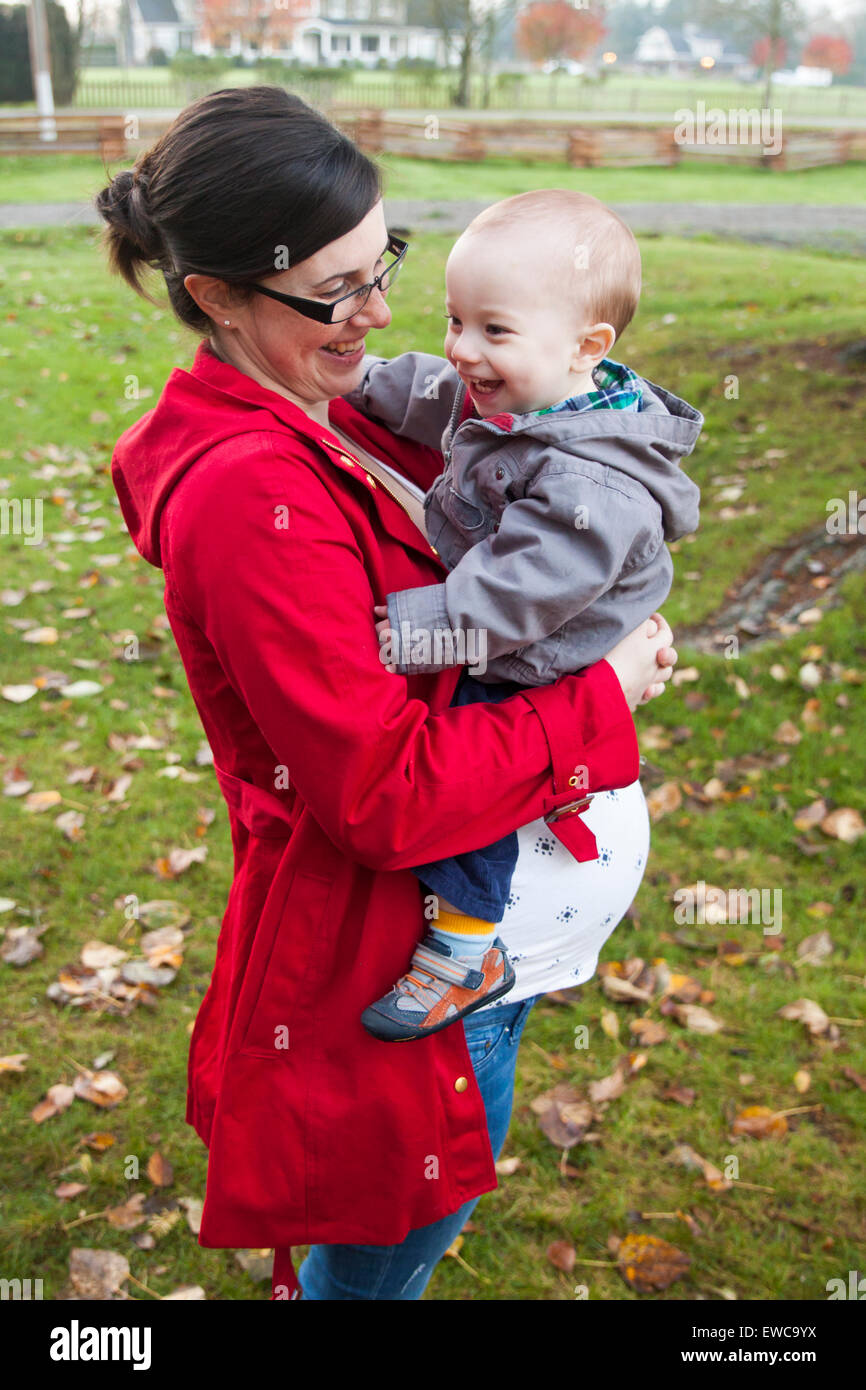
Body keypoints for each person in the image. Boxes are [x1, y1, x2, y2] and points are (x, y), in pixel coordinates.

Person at [96, 85, 680, 1301]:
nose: (380, 314)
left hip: (488, 942)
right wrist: (606, 691)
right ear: (214, 294)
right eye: (336, 290)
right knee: (376, 1268)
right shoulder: (249, 499)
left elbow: (515, 469)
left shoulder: (325, 408)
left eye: (384, 265)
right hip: (400, 953)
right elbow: (383, 796)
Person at [351, 190, 703, 1043]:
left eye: (491, 331)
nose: (463, 349)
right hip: (532, 625)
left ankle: (466, 947)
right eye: (454, 319)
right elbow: (440, 395)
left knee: (473, 768)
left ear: (588, 347)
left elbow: (514, 599)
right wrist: (358, 383)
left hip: (544, 651)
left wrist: (400, 632)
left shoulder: (593, 485)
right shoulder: (533, 394)